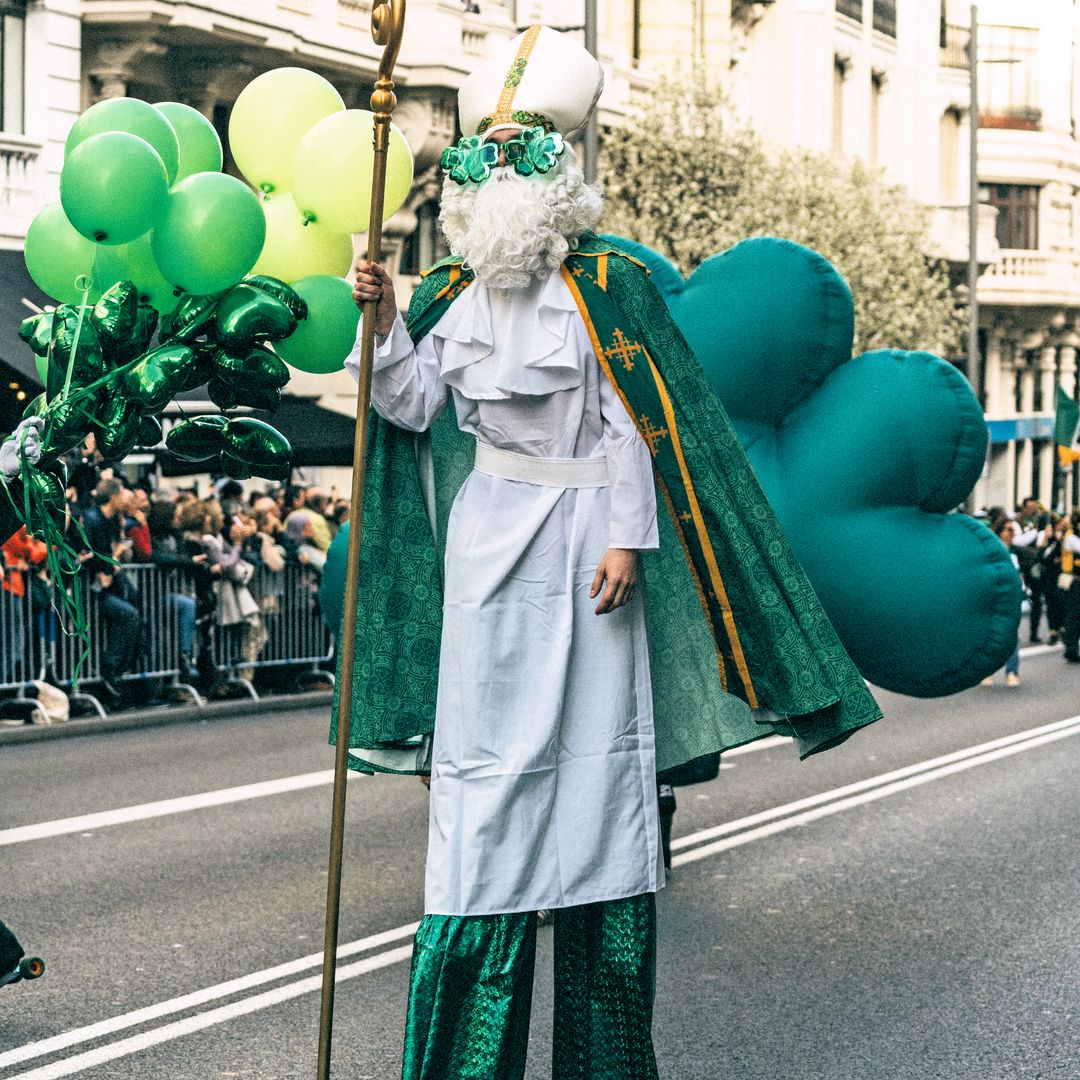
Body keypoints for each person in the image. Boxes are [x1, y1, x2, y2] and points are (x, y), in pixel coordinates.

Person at [342, 25, 880, 1080]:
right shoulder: (450, 293)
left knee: (595, 784)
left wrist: (631, 539)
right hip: (490, 547)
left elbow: (643, 422)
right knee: (482, 793)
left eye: (520, 150)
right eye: (483, 152)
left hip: (590, 539)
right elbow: (410, 406)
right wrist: (380, 321)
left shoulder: (608, 286)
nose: (496, 169)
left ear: (556, 173)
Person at [80, 477, 144, 703]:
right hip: (89, 591)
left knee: (132, 612)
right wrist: (106, 566)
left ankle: (116, 667)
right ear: (114, 497)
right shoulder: (92, 519)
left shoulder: (105, 520)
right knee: (129, 614)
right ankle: (112, 667)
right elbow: (88, 553)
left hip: (101, 587)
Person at [981, 518, 1023, 686]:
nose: (1010, 533)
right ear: (998, 532)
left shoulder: (1015, 553)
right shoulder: (991, 553)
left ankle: (1012, 671)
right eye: (1006, 529)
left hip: (1011, 599)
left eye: (1012, 530)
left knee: (1011, 634)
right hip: (993, 598)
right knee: (989, 636)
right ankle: (987, 671)